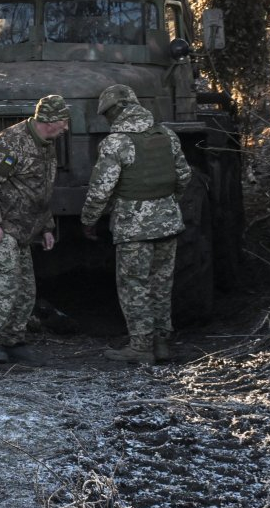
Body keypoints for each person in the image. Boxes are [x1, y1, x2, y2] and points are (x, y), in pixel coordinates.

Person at [81, 83, 191, 365]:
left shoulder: (116, 142)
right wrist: (165, 204)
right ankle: (162, 342)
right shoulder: (167, 134)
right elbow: (183, 175)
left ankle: (141, 346)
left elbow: (101, 189)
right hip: (168, 222)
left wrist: (90, 220)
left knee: (134, 285)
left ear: (115, 111)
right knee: (161, 283)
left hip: (133, 227)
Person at [0, 95, 70, 365]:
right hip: (5, 226)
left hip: (26, 228)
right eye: (63, 122)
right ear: (48, 121)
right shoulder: (11, 143)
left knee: (26, 288)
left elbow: (40, 190)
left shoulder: (46, 144)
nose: (66, 128)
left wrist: (47, 227)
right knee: (9, 282)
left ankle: (12, 340)